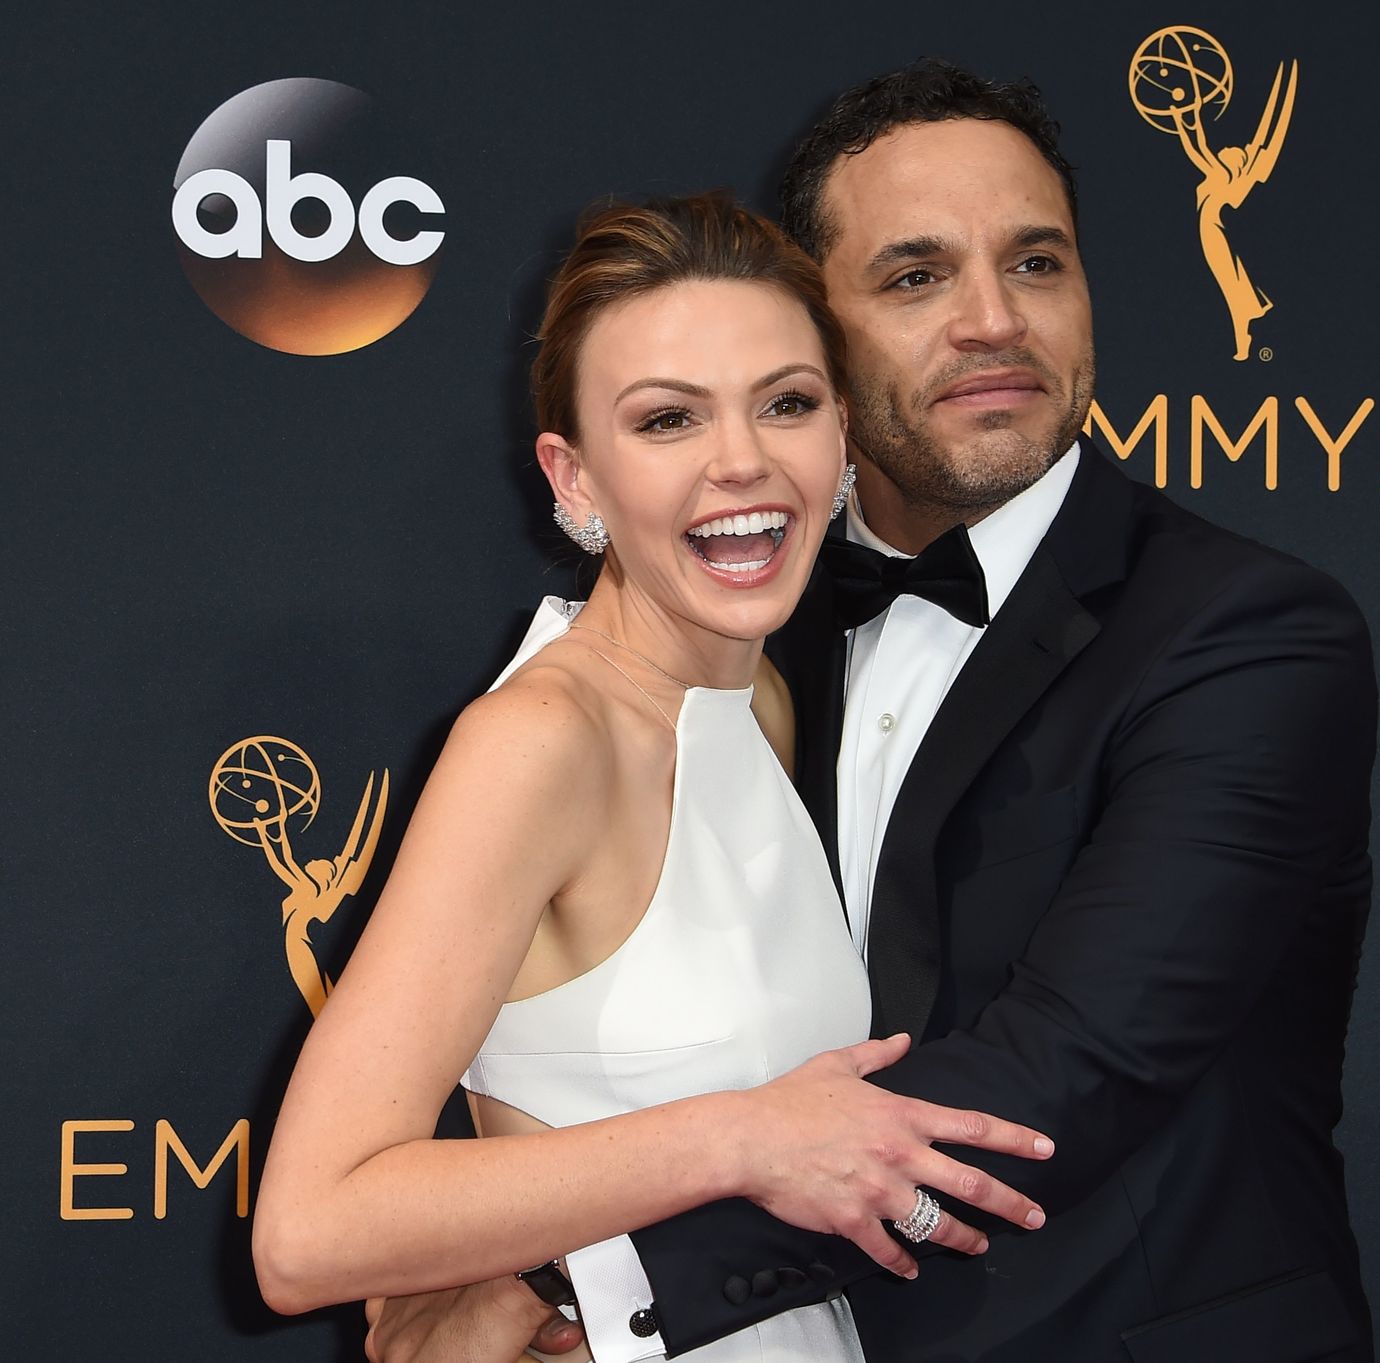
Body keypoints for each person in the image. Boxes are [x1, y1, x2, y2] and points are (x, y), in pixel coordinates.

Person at [369, 60, 1377, 1363]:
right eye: (915, 276)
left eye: (1036, 263)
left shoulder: (1245, 633)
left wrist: (571, 1285)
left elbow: (1060, 1076)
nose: (992, 320)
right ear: (816, 344)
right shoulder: (743, 630)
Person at [250, 193, 1058, 1363]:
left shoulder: (769, 697)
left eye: (785, 402)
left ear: (840, 438)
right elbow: (309, 1233)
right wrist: (738, 1138)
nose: (741, 460)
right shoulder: (540, 742)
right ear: (573, 478)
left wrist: (540, 1286)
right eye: (668, 419)